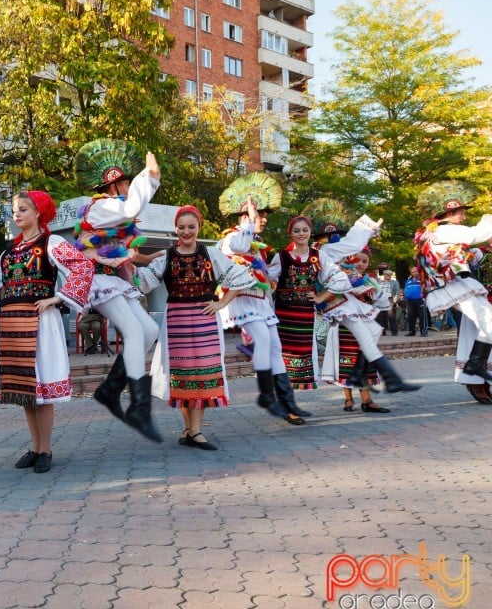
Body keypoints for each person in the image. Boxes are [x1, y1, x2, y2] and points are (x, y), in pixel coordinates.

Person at [0, 190, 93, 473]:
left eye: (24, 209)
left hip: (40, 322)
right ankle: (36, 446)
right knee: (26, 390)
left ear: (38, 212)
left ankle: (46, 449)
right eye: (15, 209)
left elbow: (83, 266)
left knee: (42, 387)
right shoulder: (9, 253)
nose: (17, 214)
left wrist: (59, 298)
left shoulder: (51, 243)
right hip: (13, 323)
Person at [140, 205, 254, 450]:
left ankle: (195, 431)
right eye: (181, 227)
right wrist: (121, 264)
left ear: (198, 227)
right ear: (175, 229)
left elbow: (241, 275)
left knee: (202, 373)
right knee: (181, 374)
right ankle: (192, 431)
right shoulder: (167, 256)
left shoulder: (211, 254)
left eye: (191, 227)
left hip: (204, 318)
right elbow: (145, 281)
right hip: (177, 321)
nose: (186, 231)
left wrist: (222, 302)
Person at [72, 139, 162, 442]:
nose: (127, 187)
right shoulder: (101, 207)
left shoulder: (114, 213)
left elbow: (124, 248)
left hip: (116, 282)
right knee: (135, 333)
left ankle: (110, 389)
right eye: (125, 182)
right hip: (98, 281)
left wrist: (147, 259)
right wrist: (149, 177)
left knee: (149, 330)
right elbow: (132, 205)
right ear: (114, 185)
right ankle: (139, 407)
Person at [217, 173, 310, 424]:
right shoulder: (233, 237)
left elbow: (268, 276)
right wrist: (250, 221)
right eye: (259, 215)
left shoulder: (257, 245)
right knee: (263, 341)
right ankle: (267, 395)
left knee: (275, 348)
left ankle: (287, 402)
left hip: (260, 302)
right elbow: (235, 250)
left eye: (264, 216)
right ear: (245, 216)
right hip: (242, 300)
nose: (263, 219)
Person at [295, 209, 419, 395]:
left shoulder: (319, 253)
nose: (333, 238)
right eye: (329, 236)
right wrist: (366, 228)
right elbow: (350, 245)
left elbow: (348, 248)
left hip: (342, 302)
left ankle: (357, 376)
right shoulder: (325, 251)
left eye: (305, 230)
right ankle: (391, 380)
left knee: (373, 331)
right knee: (366, 337)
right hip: (338, 303)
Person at [414, 180, 492, 396]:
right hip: (450, 286)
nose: (464, 217)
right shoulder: (445, 230)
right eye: (461, 213)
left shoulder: (438, 233)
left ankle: (475, 366)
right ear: (450, 214)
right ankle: (474, 368)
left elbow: (464, 254)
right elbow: (474, 235)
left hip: (454, 284)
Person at [318, 247, 391, 413]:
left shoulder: (370, 281)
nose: (360, 264)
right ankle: (348, 398)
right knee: (346, 361)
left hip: (363, 326)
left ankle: (366, 400)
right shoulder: (340, 276)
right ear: (350, 259)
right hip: (345, 327)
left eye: (364, 261)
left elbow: (380, 302)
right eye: (357, 260)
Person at [404, 266, 428, 337]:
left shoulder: (422, 279)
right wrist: (405, 297)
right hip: (410, 301)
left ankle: (423, 332)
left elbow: (426, 288)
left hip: (420, 300)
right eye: (412, 272)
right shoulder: (408, 280)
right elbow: (406, 289)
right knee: (410, 317)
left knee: (422, 317)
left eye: (415, 272)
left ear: (418, 272)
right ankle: (412, 331)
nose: (414, 273)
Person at [375, 269, 400, 336]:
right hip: (381, 301)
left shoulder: (395, 283)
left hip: (390, 301)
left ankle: (394, 332)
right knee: (380, 318)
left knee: (391, 317)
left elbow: (397, 293)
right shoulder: (380, 283)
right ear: (384, 275)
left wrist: (394, 302)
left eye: (390, 275)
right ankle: (382, 332)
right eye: (387, 275)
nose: (389, 276)